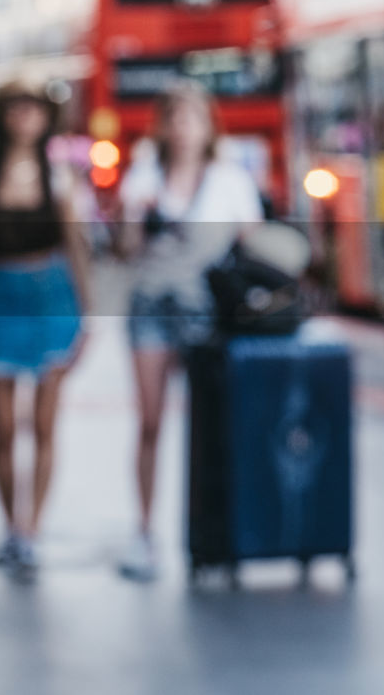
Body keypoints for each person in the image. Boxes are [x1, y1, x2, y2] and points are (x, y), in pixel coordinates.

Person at [117, 81, 263, 581]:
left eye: (192, 117)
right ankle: (144, 532)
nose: (183, 128)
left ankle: (215, 531)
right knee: (151, 422)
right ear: (162, 125)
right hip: (151, 305)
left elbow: (251, 247)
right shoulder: (143, 175)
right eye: (174, 117)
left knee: (213, 426)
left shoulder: (230, 179)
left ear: (209, 125)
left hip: (205, 312)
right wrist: (139, 216)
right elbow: (127, 249)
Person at [0, 84, 91, 582]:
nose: (25, 116)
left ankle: (31, 530)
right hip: (0, 296)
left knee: (45, 423)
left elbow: (78, 250)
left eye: (33, 108)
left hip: (52, 295)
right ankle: (12, 527)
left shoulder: (60, 178)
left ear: (45, 117)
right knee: (5, 428)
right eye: (16, 107)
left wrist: (89, 318)